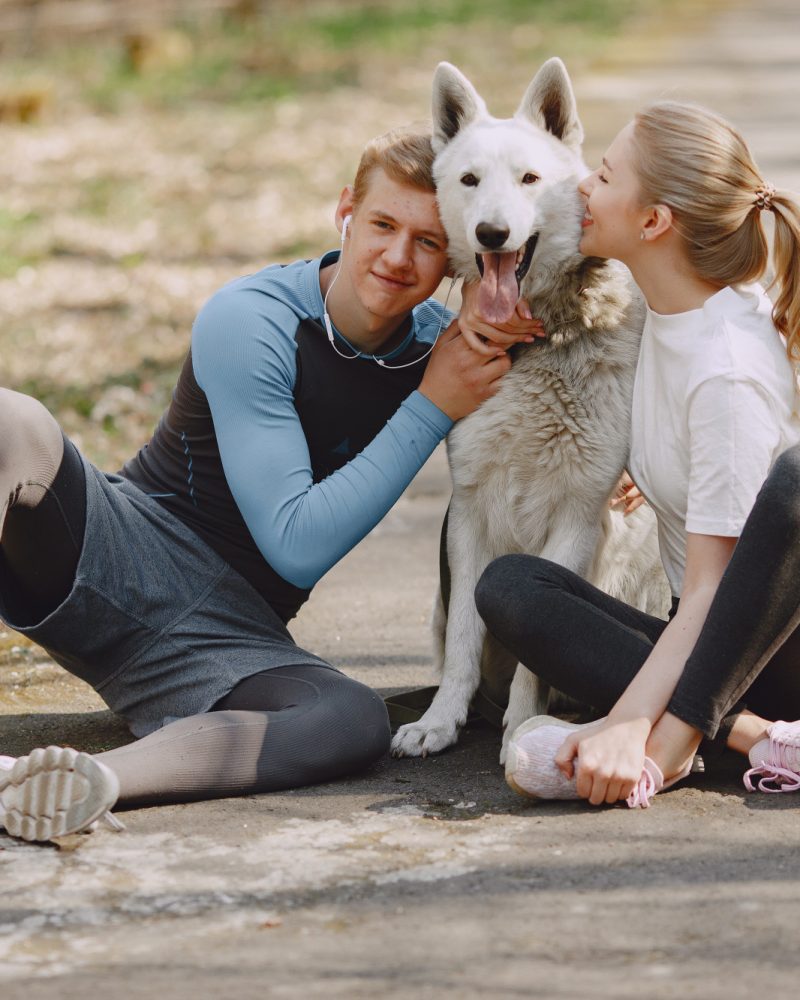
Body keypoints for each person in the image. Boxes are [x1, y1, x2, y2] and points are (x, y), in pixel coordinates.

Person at [0, 126, 539, 842]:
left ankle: (73, 784)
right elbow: (294, 543)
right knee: (13, 423)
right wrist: (432, 404)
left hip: (230, 638)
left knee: (350, 719)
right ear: (345, 211)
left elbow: (545, 442)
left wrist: (617, 471)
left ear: (457, 260)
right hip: (115, 551)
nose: (398, 256)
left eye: (428, 241)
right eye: (382, 224)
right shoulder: (252, 317)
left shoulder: (444, 351)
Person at [474, 101, 800, 808]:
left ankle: (679, 740)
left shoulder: (726, 367)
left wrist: (628, 722)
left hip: (763, 648)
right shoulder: (669, 306)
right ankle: (757, 737)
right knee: (511, 587)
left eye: (604, 176)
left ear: (654, 223)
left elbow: (718, 594)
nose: (579, 188)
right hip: (710, 639)